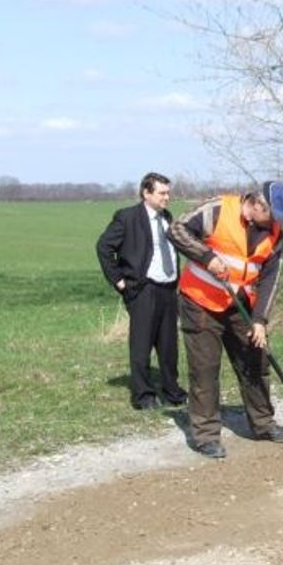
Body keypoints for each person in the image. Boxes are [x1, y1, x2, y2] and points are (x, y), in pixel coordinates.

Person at [168, 181, 283, 459]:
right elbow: (176, 229)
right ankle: (206, 435)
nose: (274, 222)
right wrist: (207, 257)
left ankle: (263, 424)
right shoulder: (218, 209)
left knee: (255, 360)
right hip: (200, 302)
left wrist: (260, 319)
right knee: (205, 369)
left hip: (241, 307)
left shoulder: (275, 234)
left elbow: (271, 278)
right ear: (259, 205)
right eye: (271, 215)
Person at [95, 172, 188, 411]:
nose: (167, 197)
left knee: (169, 345)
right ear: (146, 193)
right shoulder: (127, 217)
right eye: (162, 193)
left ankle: (172, 391)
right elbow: (104, 247)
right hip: (143, 289)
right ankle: (143, 395)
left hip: (168, 289)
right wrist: (119, 281)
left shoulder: (167, 217)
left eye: (168, 192)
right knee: (141, 344)